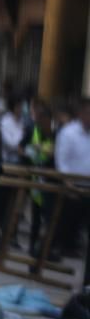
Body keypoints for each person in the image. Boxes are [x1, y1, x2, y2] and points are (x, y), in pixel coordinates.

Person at [55, 97, 90, 277]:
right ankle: (60, 249)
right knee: (67, 223)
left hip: (88, 186)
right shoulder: (69, 133)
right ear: (81, 113)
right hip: (72, 185)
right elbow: (62, 159)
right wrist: (67, 182)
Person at [20, 99, 57, 258]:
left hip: (51, 180)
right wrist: (29, 153)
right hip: (35, 179)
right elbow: (20, 147)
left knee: (49, 218)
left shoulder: (57, 134)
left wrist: (42, 150)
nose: (42, 123)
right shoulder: (32, 130)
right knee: (36, 217)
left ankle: (46, 249)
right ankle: (33, 248)